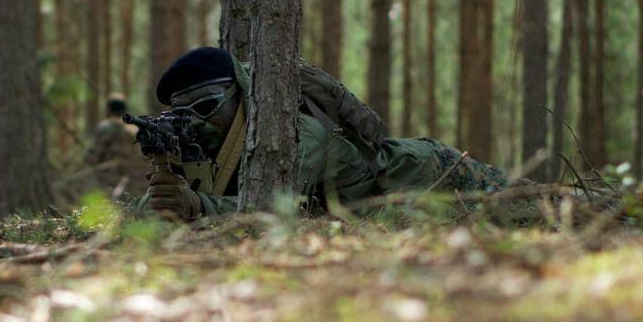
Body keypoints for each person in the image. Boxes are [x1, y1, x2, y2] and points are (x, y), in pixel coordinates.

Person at [141, 47, 511, 221]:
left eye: (206, 107)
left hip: (429, 173)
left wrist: (196, 206)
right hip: (388, 201)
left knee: (536, 209)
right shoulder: (212, 143)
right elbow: (166, 206)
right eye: (182, 114)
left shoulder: (295, 136)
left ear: (241, 94)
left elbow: (272, 212)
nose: (196, 122)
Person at [85, 94, 149, 199]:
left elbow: (94, 156)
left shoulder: (103, 127)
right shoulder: (134, 128)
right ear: (124, 108)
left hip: (108, 176)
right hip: (133, 177)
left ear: (109, 109)